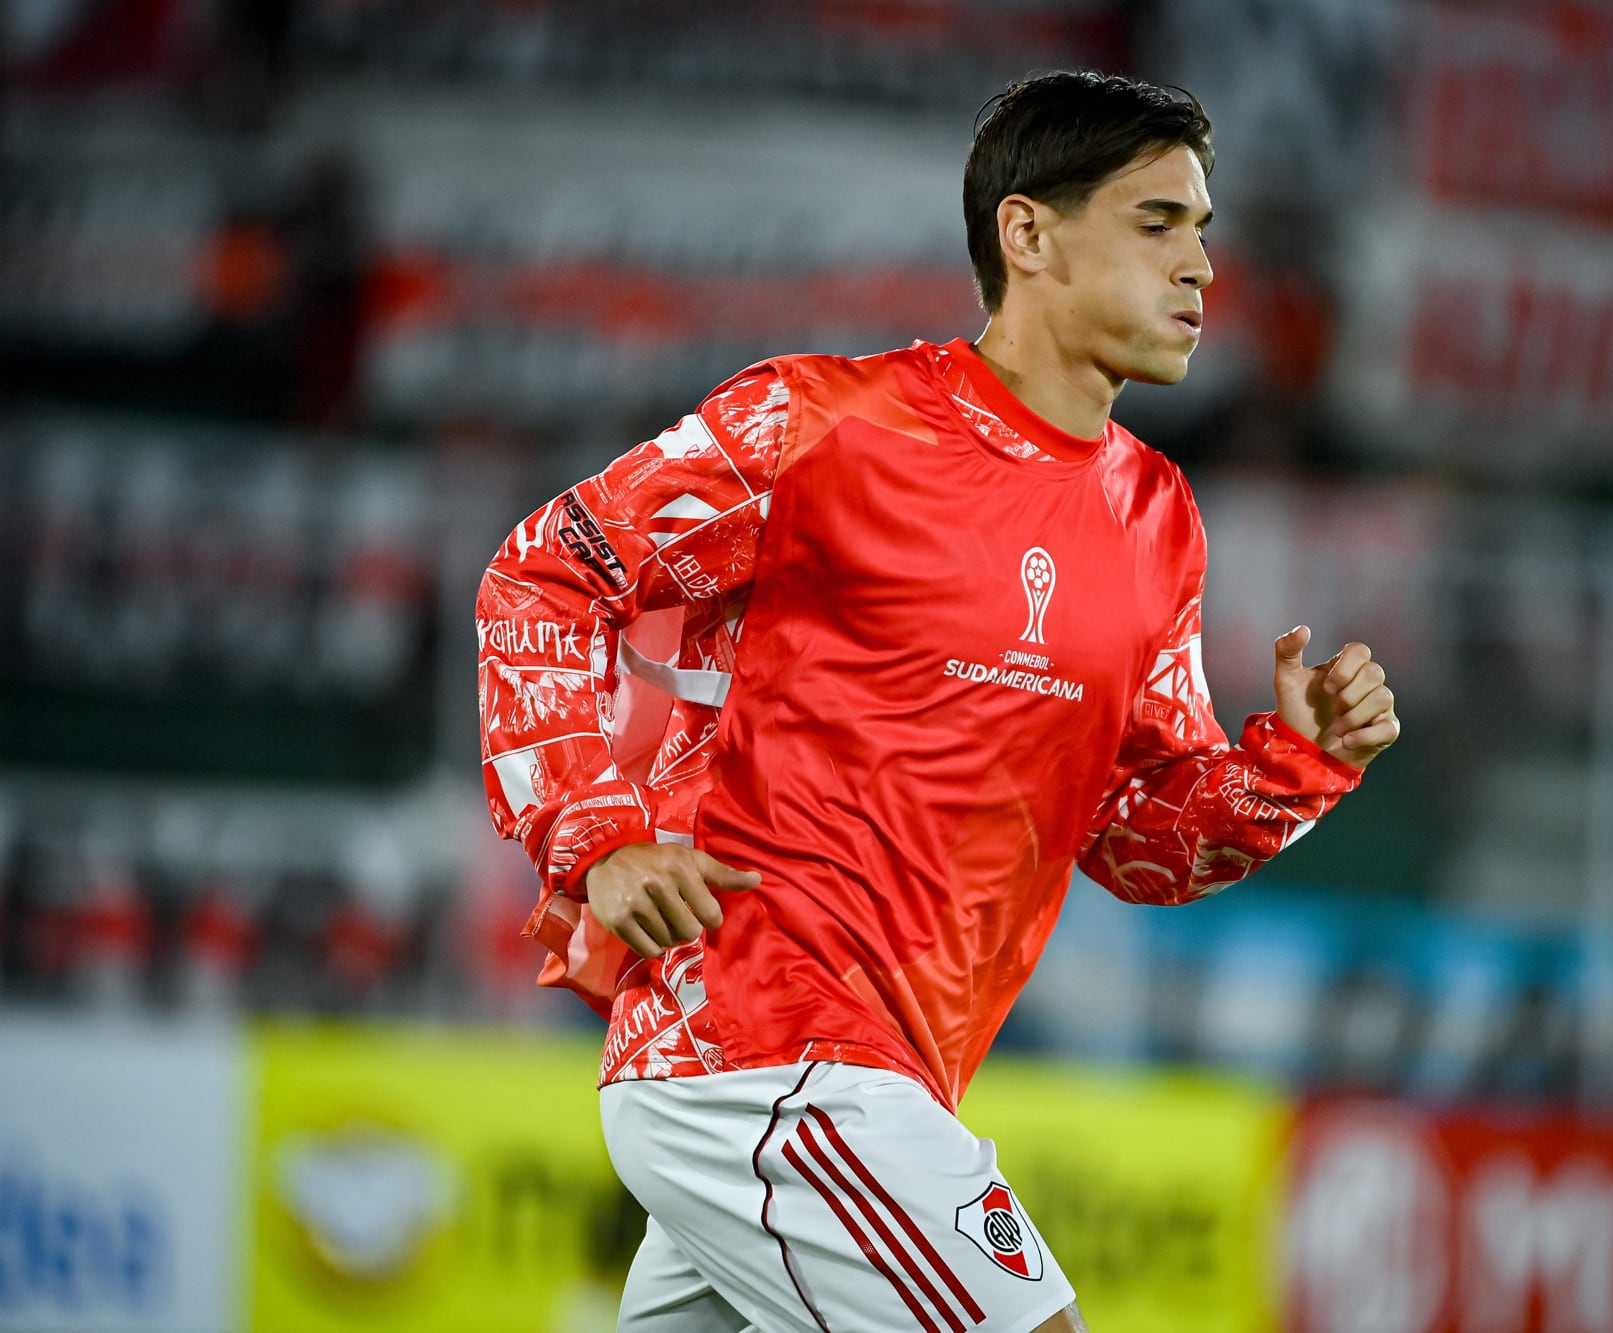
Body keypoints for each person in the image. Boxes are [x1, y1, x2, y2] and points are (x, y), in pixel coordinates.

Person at [477, 70, 1399, 1333]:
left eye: (1202, 229)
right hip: (759, 1039)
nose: (1199, 266)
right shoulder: (819, 426)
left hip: (881, 1073)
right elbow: (543, 574)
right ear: (1027, 236)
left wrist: (1297, 761)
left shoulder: (1155, 519)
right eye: (1156, 223)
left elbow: (1135, 837)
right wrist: (598, 838)